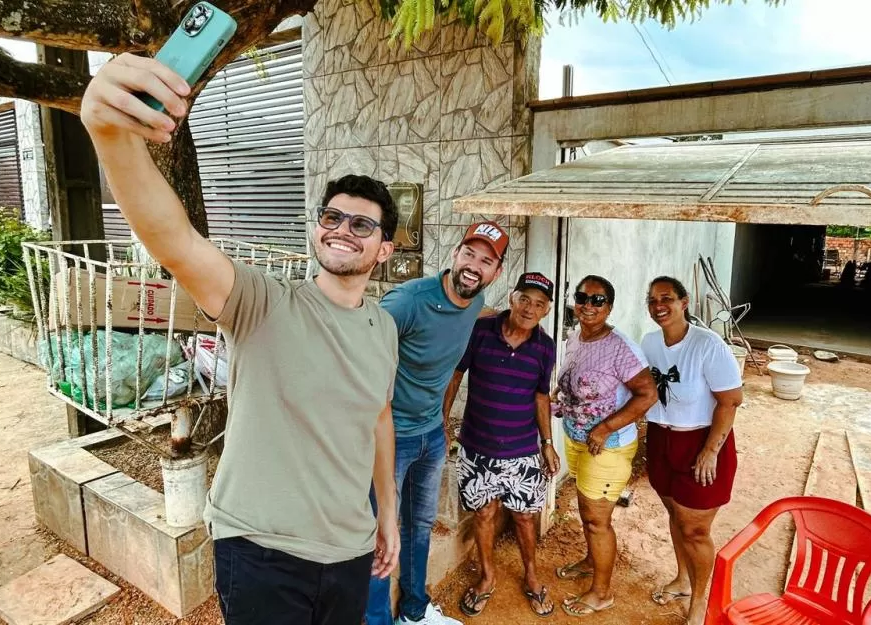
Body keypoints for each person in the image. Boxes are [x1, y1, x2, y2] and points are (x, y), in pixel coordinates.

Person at [79, 55, 401, 624]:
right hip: (261, 552)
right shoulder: (262, 302)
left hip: (349, 550)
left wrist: (389, 514)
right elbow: (175, 240)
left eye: (361, 224)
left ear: (385, 249)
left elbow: (378, 416)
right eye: (332, 217)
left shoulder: (384, 326)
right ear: (316, 229)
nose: (342, 230)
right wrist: (109, 133)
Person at [366, 222, 508, 625]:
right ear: (454, 254)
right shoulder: (409, 301)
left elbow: (481, 314)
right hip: (391, 437)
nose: (474, 266)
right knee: (378, 533)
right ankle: (377, 620)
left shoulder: (475, 303)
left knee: (420, 525)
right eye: (469, 254)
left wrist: (518, 316)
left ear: (496, 273)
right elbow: (362, 345)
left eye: (486, 261)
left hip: (431, 434)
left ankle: (413, 612)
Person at [443, 272, 560, 618]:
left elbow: (541, 396)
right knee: (483, 513)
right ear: (512, 298)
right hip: (476, 447)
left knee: (524, 516)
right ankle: (487, 577)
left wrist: (547, 443)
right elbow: (455, 375)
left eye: (539, 304)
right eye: (524, 299)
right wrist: (442, 422)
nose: (529, 308)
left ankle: (531, 575)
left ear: (546, 310)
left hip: (522, 451)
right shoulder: (480, 331)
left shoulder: (545, 346)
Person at [552, 275, 657, 617]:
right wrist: (559, 398)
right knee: (588, 513)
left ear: (609, 307)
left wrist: (605, 428)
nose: (588, 305)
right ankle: (591, 560)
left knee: (597, 520)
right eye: (582, 298)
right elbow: (574, 380)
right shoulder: (575, 337)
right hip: (577, 438)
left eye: (597, 300)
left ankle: (602, 593)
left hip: (607, 445)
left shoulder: (621, 348)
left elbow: (648, 395)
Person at [641, 276, 743, 625]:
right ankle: (683, 580)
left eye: (666, 298)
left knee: (695, 530)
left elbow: (731, 401)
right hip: (661, 440)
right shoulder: (650, 342)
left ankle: (699, 603)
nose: (658, 306)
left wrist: (710, 451)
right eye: (652, 300)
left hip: (700, 443)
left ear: (684, 302)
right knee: (676, 515)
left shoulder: (707, 344)